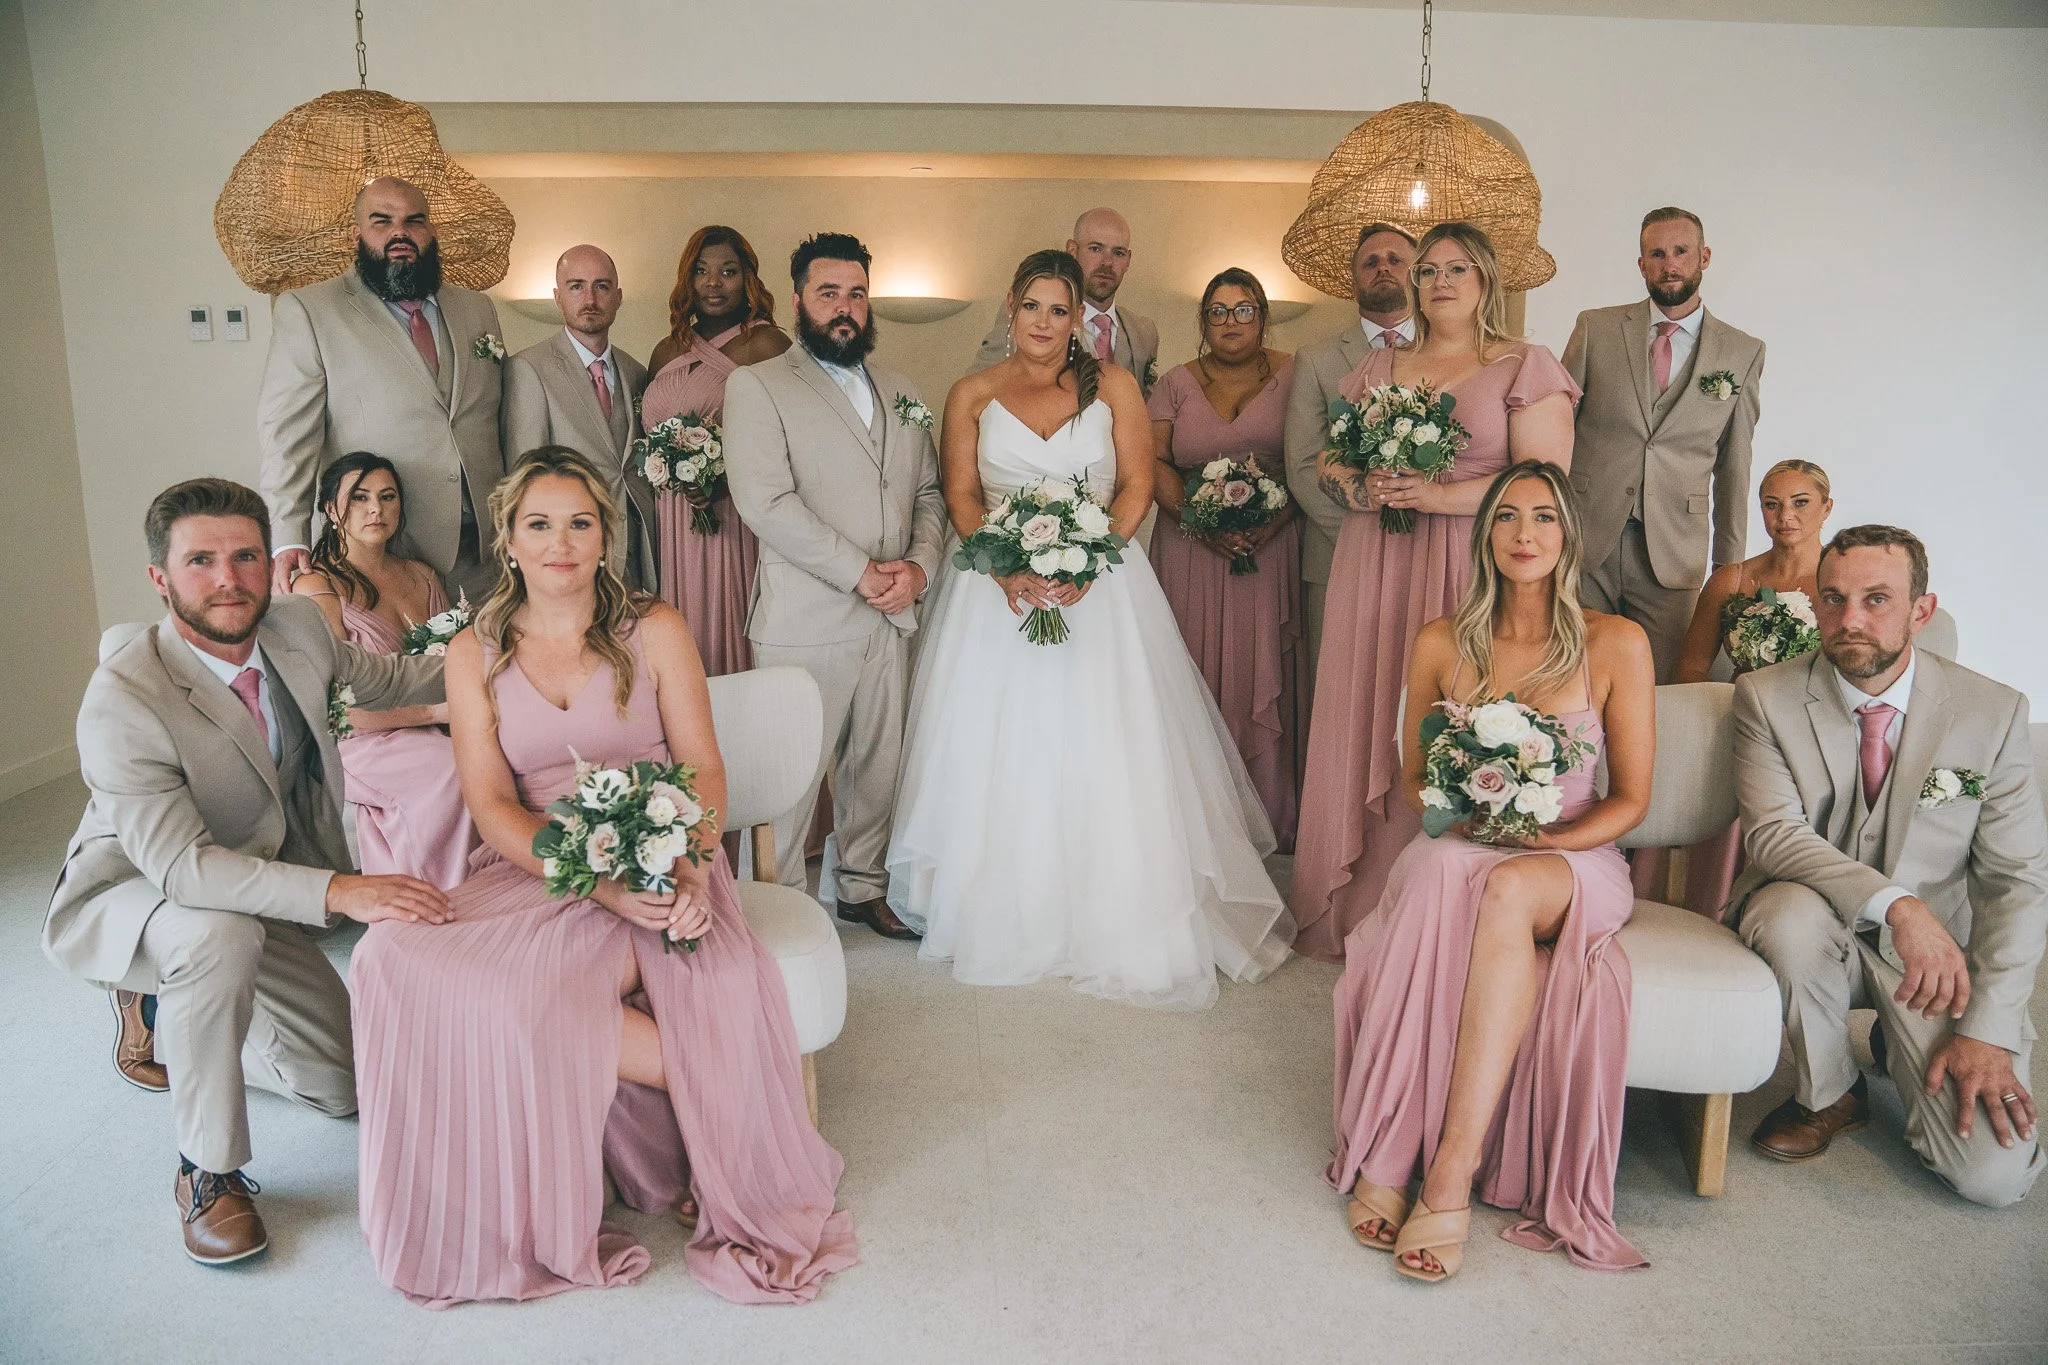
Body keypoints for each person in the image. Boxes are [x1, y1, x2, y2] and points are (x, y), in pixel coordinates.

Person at [351, 447, 857, 1306]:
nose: (561, 543)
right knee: (388, 956)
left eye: (580, 522)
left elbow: (701, 771)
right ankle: (519, 1176)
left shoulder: (654, 627)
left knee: (542, 997)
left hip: (664, 851)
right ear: (508, 539)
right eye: (540, 524)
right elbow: (493, 805)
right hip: (540, 863)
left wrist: (687, 870)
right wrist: (595, 880)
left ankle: (718, 1132)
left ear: (604, 535)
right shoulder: (476, 653)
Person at [43, 478, 447, 1266]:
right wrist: (341, 888)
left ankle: (190, 1026)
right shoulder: (122, 696)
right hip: (145, 888)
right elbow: (185, 868)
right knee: (215, 938)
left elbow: (393, 682)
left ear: (271, 562)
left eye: (245, 555)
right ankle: (208, 1173)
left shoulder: (298, 625)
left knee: (343, 1087)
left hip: (254, 879)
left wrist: (512, 656)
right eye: (200, 560)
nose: (227, 577)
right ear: (160, 577)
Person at [886, 248, 1293, 1010]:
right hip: (997, 594)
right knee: (1004, 745)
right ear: (1011, 307)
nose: (1044, 321)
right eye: (1032, 305)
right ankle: (1005, 908)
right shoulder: (971, 391)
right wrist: (1005, 567)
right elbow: (963, 492)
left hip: (1098, 588)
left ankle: (1117, 907)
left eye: (1059, 309)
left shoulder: (1113, 387)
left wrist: (1091, 554)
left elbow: (1138, 483)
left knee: (1105, 742)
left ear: (1080, 318)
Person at [1330, 461, 1655, 1280]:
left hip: (1571, 857)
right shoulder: (1443, 640)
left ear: (1567, 535)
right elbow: (1413, 776)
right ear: (1485, 536)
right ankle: (1392, 1142)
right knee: (1440, 869)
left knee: (1505, 885)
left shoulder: (1616, 640)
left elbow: (1632, 799)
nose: (1524, 534)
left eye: (1543, 518)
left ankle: (1449, 1173)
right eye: (1507, 517)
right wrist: (1471, 812)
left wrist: (1546, 841)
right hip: (1473, 839)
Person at [1730, 524, 2046, 1205]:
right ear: (1815, 605)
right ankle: (1832, 1092)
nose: (1852, 621)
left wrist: (1987, 1029)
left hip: (1932, 960)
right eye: (1834, 599)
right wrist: (1898, 905)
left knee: (1995, 1177)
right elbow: (1776, 835)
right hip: (1813, 918)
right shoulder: (1764, 697)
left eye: (1877, 599)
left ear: (1921, 611)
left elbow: (2016, 882)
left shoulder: (1992, 713)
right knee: (1788, 914)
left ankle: (1898, 1040)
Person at [1290, 222, 1578, 962]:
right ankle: (1353, 899)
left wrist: (1435, 494)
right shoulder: (1383, 365)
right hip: (1374, 561)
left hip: (1465, 565)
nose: (1438, 280)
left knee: (1447, 713)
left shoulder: (1523, 363)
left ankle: (1438, 908)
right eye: (1427, 270)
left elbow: (1543, 485)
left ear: (1486, 280)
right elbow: (1329, 453)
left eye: (1456, 268)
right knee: (1368, 699)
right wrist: (1360, 482)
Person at [724, 233, 948, 941]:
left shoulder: (905, 392)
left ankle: (861, 886)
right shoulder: (757, 386)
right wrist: (861, 571)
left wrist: (917, 568)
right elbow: (765, 502)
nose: (844, 307)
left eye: (855, 293)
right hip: (806, 616)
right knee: (788, 777)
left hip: (893, 613)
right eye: (828, 293)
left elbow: (931, 494)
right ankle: (771, 907)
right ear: (797, 300)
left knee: (876, 765)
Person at [257, 176, 507, 602]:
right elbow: (287, 436)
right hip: (383, 548)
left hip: (485, 549)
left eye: (414, 221)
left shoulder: (477, 308)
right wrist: (288, 537)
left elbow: (498, 420)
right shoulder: (310, 311)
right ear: (357, 234)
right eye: (381, 221)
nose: (400, 233)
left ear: (431, 230)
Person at [1563, 207, 1766, 683]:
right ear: (1641, 264)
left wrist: (1728, 564)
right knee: (1572, 678)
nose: (1668, 264)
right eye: (1656, 254)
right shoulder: (1596, 328)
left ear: (1704, 257)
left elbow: (1735, 462)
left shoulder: (1742, 351)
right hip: (1586, 538)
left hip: (1674, 550)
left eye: (1680, 252)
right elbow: (1556, 427)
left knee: (1661, 688)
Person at [1148, 268, 1303, 850]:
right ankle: (1199, 820)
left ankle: (1271, 813)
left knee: (1266, 671)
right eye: (1218, 311)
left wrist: (1274, 518)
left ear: (1263, 315)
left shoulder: (1297, 372)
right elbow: (1155, 462)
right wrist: (1199, 522)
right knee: (1194, 673)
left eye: (1244, 310)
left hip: (1274, 548)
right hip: (1191, 550)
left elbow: (1308, 457)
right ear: (1203, 321)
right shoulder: (1174, 383)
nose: (1231, 322)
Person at [289, 452, 476, 889]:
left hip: (443, 720)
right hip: (363, 738)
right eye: (360, 498)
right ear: (331, 509)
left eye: (387, 497)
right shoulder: (318, 587)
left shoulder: (424, 576)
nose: (376, 509)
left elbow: (461, 663)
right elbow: (330, 708)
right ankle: (445, 900)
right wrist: (433, 716)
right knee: (451, 767)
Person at [1659, 459, 1833, 915]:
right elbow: (1691, 669)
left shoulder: (1841, 584)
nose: (1785, 517)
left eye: (1800, 503)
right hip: (1742, 722)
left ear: (1827, 508)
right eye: (1771, 505)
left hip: (1816, 728)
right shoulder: (1732, 580)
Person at [640, 226, 793, 676]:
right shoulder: (665, 350)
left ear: (747, 279)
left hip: (736, 518)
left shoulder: (767, 344)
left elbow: (792, 438)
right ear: (687, 280)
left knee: (734, 627)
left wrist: (721, 479)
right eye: (701, 271)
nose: (713, 283)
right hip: (674, 520)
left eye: (728, 271)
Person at [1283, 222, 1416, 687]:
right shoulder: (1316, 359)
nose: (1384, 268)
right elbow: (1302, 463)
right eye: (1370, 262)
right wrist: (1363, 535)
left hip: (1428, 550)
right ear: (1353, 278)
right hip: (1338, 551)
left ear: (1416, 271)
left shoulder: (1448, 350)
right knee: (1340, 686)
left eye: (1396, 259)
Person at [501, 245, 656, 589]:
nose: (590, 298)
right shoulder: (528, 369)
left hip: (637, 548)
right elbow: (524, 477)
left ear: (618, 297)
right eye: (576, 286)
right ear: (558, 297)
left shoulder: (636, 372)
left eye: (601, 286)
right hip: (567, 553)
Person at [969, 208, 1159, 395]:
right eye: (1095, 249)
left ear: (1128, 260)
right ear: (1072, 251)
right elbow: (978, 388)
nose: (1107, 262)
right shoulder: (1025, 314)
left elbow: (1149, 407)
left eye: (1118, 253)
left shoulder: (1144, 331)